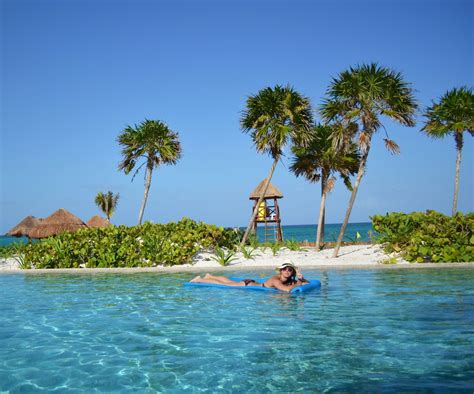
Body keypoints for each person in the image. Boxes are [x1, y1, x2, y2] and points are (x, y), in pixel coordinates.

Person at [189, 261, 308, 293]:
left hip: (253, 282)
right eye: (285, 269)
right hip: (246, 284)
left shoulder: (289, 280)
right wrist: (298, 283)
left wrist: (301, 279)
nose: (287, 271)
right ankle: (199, 279)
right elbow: (287, 290)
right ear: (281, 270)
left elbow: (307, 283)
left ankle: (210, 275)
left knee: (228, 280)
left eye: (290, 270)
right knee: (225, 284)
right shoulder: (276, 280)